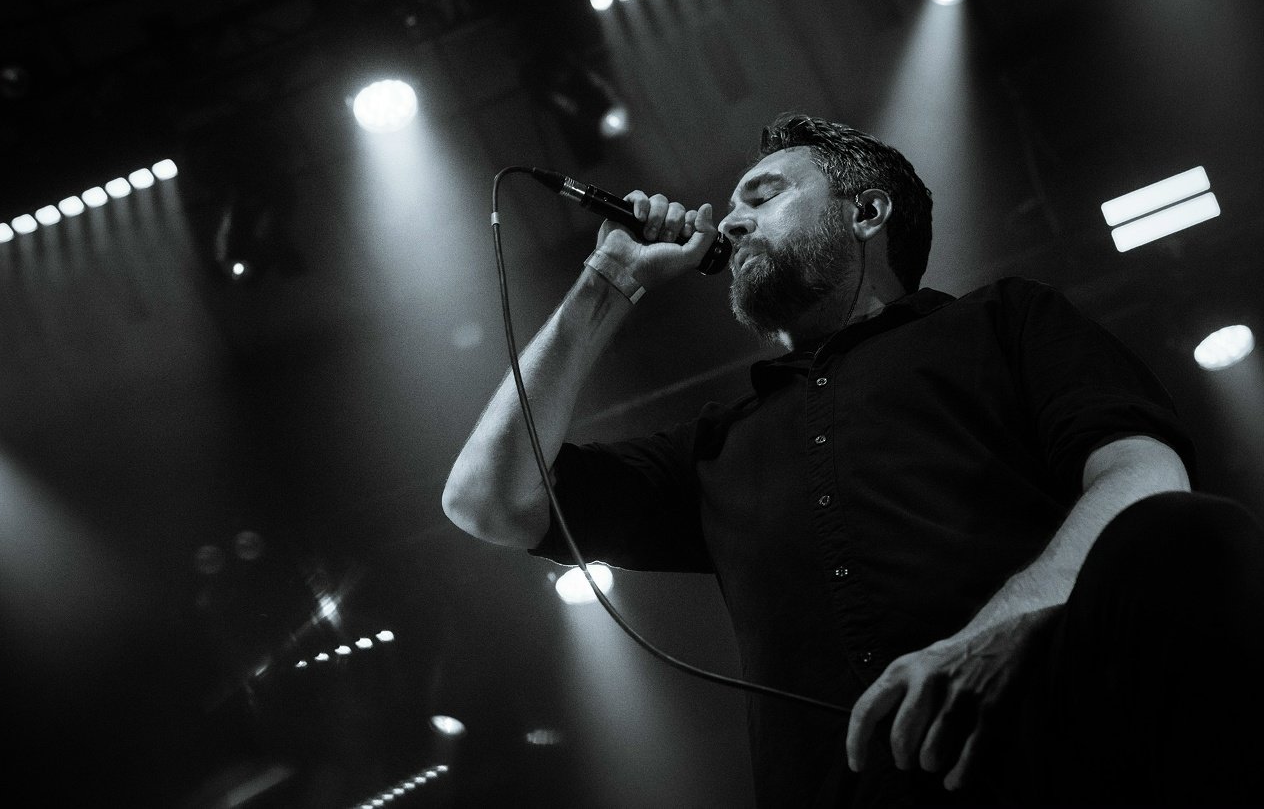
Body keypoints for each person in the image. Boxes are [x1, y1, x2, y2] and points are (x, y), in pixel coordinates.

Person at [442, 114, 1264, 807]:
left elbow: (1147, 482)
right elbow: (487, 500)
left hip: (1056, 760)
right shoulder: (716, 445)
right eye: (734, 206)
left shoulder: (1003, 322)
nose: (729, 223)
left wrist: (996, 632)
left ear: (867, 211)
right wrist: (608, 279)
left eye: (764, 195)